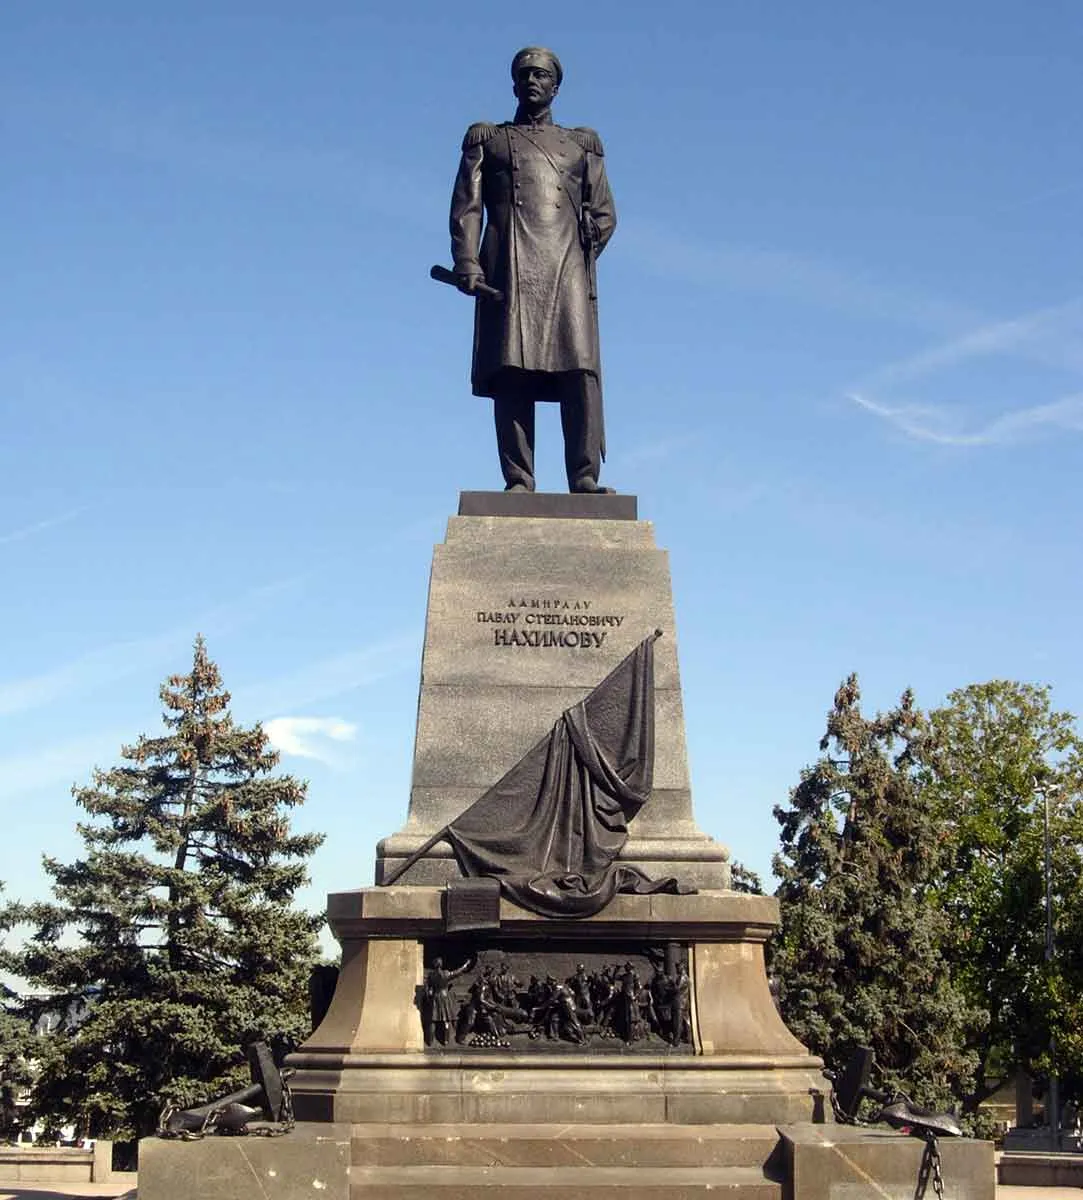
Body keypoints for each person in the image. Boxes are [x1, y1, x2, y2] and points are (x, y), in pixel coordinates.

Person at [450, 46, 617, 494]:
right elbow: (468, 208)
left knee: (579, 372)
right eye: (525, 74)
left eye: (541, 75)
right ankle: (519, 479)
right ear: (513, 84)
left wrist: (592, 235)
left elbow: (604, 213)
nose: (532, 81)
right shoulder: (490, 140)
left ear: (556, 86)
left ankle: (583, 476)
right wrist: (467, 260)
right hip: (510, 267)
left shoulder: (582, 146)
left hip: (566, 268)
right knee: (512, 371)